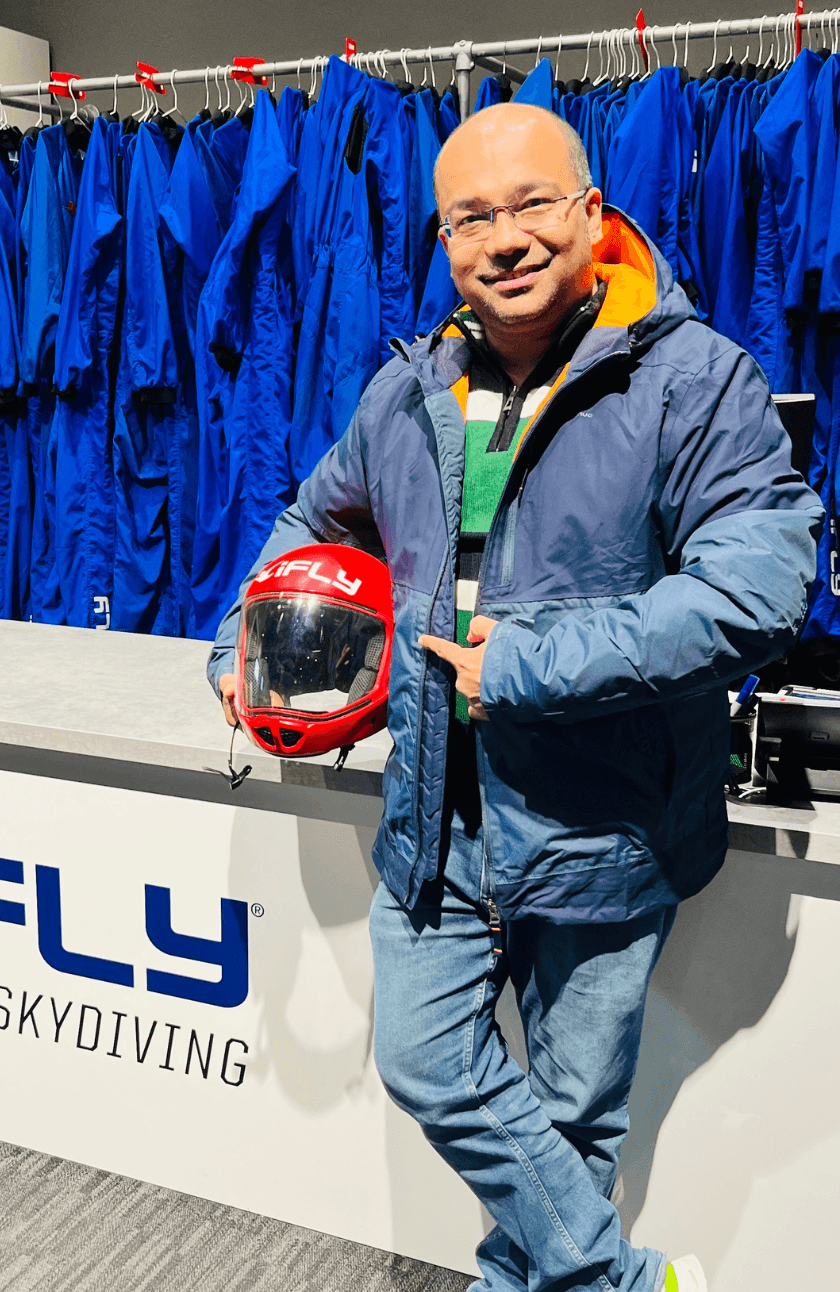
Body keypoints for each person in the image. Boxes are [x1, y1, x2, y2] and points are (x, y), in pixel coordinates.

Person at [208, 103, 821, 1292]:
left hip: (603, 829)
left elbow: (759, 587)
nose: (506, 238)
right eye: (471, 217)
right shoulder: (408, 389)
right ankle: (627, 1283)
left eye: (533, 203)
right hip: (434, 821)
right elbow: (309, 525)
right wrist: (250, 653)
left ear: (591, 211)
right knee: (428, 1063)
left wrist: (535, 663)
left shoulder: (694, 380)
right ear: (444, 241)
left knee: (573, 1121)